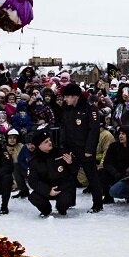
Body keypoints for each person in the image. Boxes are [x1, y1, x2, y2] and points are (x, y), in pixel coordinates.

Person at [56, 82, 105, 213]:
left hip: (85, 150)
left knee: (92, 177)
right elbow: (64, 129)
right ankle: (70, 201)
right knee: (69, 176)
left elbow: (93, 131)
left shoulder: (90, 110)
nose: (65, 99)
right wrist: (63, 148)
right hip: (71, 150)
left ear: (75, 96)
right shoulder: (67, 109)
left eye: (67, 97)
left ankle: (98, 204)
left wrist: (89, 150)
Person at [27, 127, 75, 217]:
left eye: (49, 140)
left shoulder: (61, 154)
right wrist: (47, 190)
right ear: (39, 145)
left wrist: (71, 163)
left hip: (62, 187)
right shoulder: (34, 161)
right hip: (46, 188)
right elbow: (33, 181)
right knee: (34, 197)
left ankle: (62, 208)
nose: (50, 142)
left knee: (64, 203)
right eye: (46, 141)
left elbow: (73, 172)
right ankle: (46, 210)